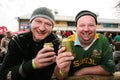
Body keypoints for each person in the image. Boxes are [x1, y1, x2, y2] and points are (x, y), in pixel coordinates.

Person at [0, 7, 60, 80]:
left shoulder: (57, 43)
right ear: (30, 23)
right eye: (38, 21)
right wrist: (32, 64)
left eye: (48, 24)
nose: (42, 28)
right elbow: (3, 75)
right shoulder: (18, 41)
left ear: (52, 28)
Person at [54, 10, 115, 80]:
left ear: (96, 27)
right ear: (76, 28)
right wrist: (61, 68)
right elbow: (59, 76)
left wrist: (82, 71)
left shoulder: (102, 40)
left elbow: (110, 68)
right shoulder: (67, 42)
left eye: (91, 25)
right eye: (82, 25)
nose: (86, 29)